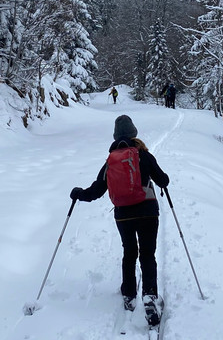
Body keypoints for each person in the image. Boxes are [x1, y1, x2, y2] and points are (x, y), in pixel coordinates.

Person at [70, 115, 169, 325]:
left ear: (115, 136)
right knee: (148, 253)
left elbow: (96, 191)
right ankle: (150, 296)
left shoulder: (111, 161)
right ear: (134, 133)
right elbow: (163, 180)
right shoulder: (144, 155)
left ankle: (129, 294)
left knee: (129, 252)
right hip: (148, 211)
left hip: (124, 214)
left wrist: (78, 193)